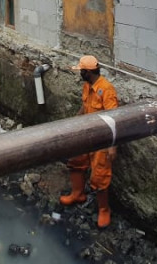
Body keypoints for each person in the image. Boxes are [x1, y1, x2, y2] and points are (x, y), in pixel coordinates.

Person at [59, 55, 119, 229]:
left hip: (102, 139)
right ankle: (78, 193)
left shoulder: (107, 90)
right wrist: (73, 122)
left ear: (88, 72)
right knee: (75, 161)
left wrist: (112, 146)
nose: (80, 73)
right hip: (86, 134)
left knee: (100, 176)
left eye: (81, 71)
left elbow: (114, 119)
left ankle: (104, 209)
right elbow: (84, 108)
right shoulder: (87, 86)